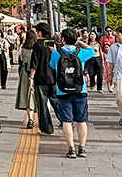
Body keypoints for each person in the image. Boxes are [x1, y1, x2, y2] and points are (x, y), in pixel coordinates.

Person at [49, 29, 95, 158]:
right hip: (81, 90)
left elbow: (52, 66)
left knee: (67, 121)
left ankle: (71, 149)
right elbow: (92, 50)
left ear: (62, 39)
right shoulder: (81, 52)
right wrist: (80, 43)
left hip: (62, 91)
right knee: (81, 120)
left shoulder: (56, 53)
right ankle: (82, 148)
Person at [29, 22, 60, 135]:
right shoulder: (54, 43)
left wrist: (31, 78)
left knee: (42, 104)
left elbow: (35, 63)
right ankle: (65, 120)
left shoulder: (38, 44)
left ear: (40, 32)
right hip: (54, 77)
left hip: (41, 78)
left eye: (37, 32)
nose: (36, 34)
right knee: (56, 101)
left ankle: (47, 128)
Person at [15, 28, 38, 129]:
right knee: (33, 95)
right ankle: (35, 118)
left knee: (25, 95)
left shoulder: (22, 48)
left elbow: (20, 59)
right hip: (35, 73)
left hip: (24, 72)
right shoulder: (37, 48)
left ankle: (30, 118)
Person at [100, 28, 117, 92]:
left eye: (110, 31)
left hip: (113, 56)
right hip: (106, 55)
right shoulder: (103, 38)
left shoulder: (114, 38)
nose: (109, 32)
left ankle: (112, 84)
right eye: (107, 31)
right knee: (107, 72)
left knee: (113, 72)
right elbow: (101, 48)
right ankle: (109, 85)